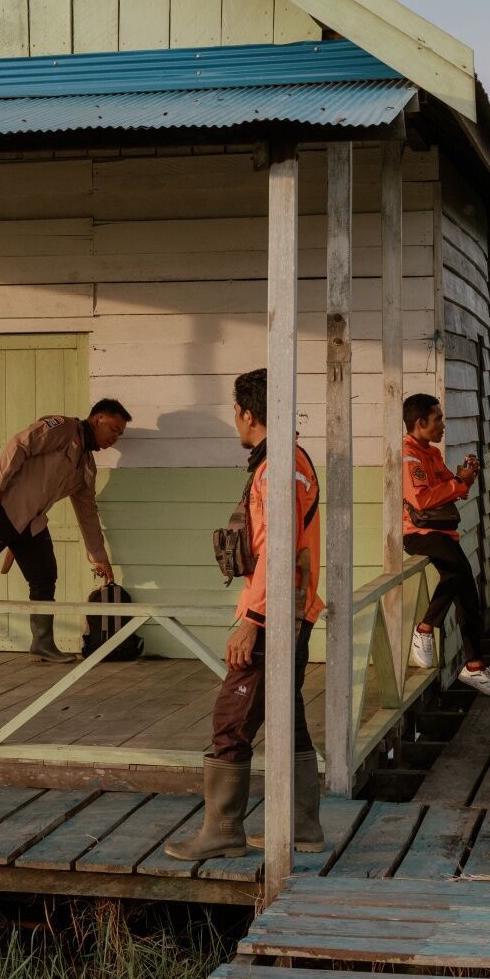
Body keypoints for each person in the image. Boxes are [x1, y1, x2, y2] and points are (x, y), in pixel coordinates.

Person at [166, 368, 326, 862]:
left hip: (274, 616)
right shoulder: (292, 462)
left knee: (232, 717)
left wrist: (251, 621)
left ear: (248, 413)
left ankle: (223, 831)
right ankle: (302, 827)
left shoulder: (275, 469)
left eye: (235, 411)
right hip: (293, 610)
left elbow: (277, 551)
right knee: (287, 715)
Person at [0, 400, 131, 662]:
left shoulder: (86, 465)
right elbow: (20, 444)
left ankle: (42, 643)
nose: (115, 438)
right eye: (114, 429)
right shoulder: (63, 428)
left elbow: (87, 512)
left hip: (31, 521)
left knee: (44, 576)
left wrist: (98, 556)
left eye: (120, 434)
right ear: (98, 419)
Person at [401, 393, 490, 698]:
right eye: (438, 419)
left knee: (467, 595)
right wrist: (458, 483)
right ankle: (425, 628)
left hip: (443, 533)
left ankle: (474, 666)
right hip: (419, 533)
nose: (443, 425)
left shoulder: (431, 454)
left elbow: (453, 490)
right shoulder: (409, 456)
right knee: (459, 573)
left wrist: (466, 476)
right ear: (420, 423)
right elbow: (421, 499)